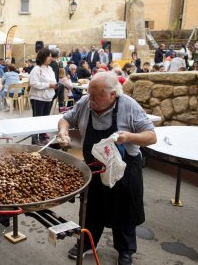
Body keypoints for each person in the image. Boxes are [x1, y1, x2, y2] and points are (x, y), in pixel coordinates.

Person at [57, 72, 156, 265]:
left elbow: (151, 136)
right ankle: (86, 243)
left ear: (113, 95)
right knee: (91, 209)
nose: (90, 99)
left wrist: (128, 137)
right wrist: (63, 131)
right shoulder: (85, 102)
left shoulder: (129, 106)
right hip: (94, 168)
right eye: (89, 94)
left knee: (124, 211)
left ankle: (125, 251)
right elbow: (65, 119)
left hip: (124, 170)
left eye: (96, 96)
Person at [29, 47, 57, 145]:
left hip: (48, 98)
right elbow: (33, 83)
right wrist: (48, 85)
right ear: (43, 57)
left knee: (45, 120)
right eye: (48, 56)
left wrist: (54, 84)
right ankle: (35, 139)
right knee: (37, 120)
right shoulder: (36, 69)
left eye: (51, 56)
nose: (50, 58)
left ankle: (42, 137)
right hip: (38, 98)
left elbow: (53, 80)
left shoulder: (50, 69)